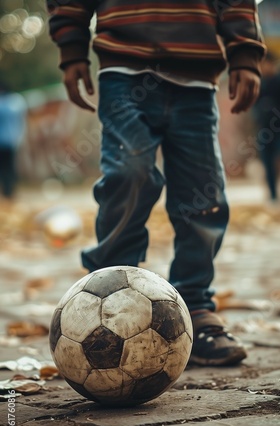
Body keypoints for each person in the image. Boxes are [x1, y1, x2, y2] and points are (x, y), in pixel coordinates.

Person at [46, 0, 266, 366]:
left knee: (204, 194)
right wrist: (72, 50)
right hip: (123, 69)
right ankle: (110, 294)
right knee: (128, 174)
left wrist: (244, 52)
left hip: (197, 79)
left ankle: (195, 304)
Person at [253, 51, 280, 201]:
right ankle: (273, 194)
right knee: (267, 162)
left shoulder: (278, 81)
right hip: (264, 128)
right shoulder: (260, 83)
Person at [0, 82, 26, 199]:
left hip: (6, 141)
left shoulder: (7, 103)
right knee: (9, 168)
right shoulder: (17, 102)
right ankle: (9, 192)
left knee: (6, 168)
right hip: (12, 140)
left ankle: (7, 192)